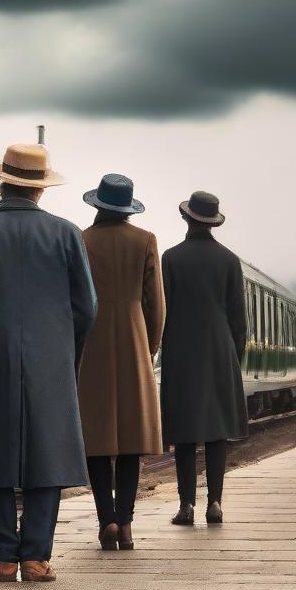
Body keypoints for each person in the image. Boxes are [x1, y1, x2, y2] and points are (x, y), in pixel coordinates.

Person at [0, 143, 97, 583]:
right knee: (48, 452)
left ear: (3, 183)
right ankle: (36, 557)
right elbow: (87, 306)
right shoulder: (66, 234)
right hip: (50, 359)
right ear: (40, 189)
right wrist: (64, 346)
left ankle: (4, 557)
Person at [77, 174, 165, 551]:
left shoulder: (82, 240)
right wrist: (151, 345)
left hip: (92, 342)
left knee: (97, 439)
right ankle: (126, 523)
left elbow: (76, 299)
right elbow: (155, 303)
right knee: (131, 439)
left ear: (98, 204)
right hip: (133, 339)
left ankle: (106, 520)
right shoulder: (145, 240)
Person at [159, 190, 248, 526]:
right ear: (214, 222)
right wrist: (232, 358)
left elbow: (163, 313)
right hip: (220, 350)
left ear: (186, 218)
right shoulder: (229, 260)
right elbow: (239, 322)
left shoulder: (171, 258)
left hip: (182, 351)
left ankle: (186, 507)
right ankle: (215, 503)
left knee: (183, 432)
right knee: (216, 432)